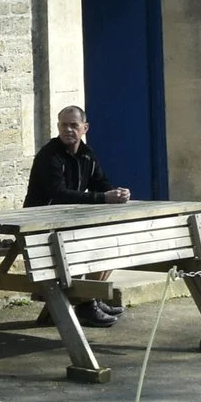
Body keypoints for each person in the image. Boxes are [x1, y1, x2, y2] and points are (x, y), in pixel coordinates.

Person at [24, 105, 128, 326]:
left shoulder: (87, 154)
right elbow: (58, 195)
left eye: (74, 125)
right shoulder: (49, 155)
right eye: (64, 125)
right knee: (95, 247)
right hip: (41, 226)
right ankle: (86, 303)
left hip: (68, 224)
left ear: (84, 128)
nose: (68, 130)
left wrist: (118, 193)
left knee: (111, 243)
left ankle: (90, 299)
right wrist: (103, 198)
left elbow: (101, 184)